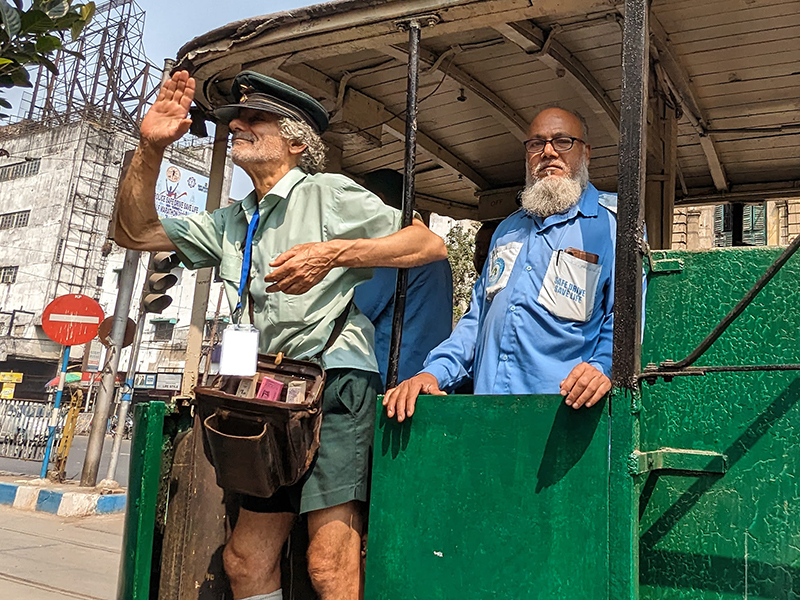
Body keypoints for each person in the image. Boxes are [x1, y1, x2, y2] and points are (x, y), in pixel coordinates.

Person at [113, 70, 446, 600]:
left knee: (328, 566)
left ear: (295, 139)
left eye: (253, 118)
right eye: (234, 119)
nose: (238, 125)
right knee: (244, 561)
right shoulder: (231, 220)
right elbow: (133, 231)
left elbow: (427, 245)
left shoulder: (328, 193)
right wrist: (149, 148)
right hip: (262, 394)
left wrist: (332, 252)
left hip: (333, 381)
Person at [384, 107, 618, 421]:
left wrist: (602, 366)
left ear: (585, 153)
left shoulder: (613, 226)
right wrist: (434, 372)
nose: (548, 152)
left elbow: (627, 320)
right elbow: (477, 321)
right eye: (536, 144)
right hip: (489, 414)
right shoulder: (508, 230)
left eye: (562, 142)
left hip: (563, 417)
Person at [354, 169, 453, 387]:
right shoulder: (437, 258)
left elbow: (355, 309)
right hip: (429, 375)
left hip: (393, 381)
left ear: (378, 200)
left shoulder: (394, 249)